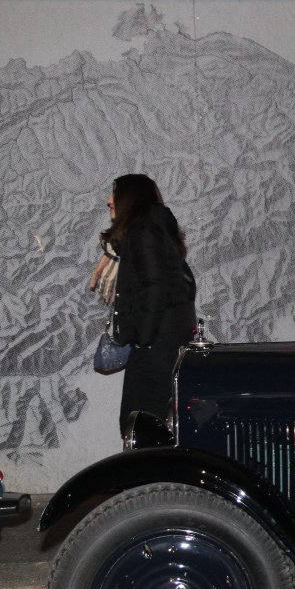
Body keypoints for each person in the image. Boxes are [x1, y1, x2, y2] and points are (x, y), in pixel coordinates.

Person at [106, 173, 197, 437]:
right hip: (164, 340)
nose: (109, 200)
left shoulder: (144, 231)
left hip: (157, 344)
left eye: (115, 194)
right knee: (149, 419)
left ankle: (150, 465)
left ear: (129, 198)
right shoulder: (154, 228)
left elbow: (155, 287)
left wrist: (143, 338)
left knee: (141, 421)